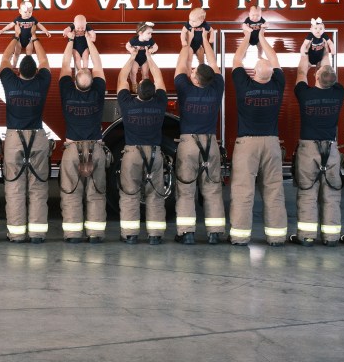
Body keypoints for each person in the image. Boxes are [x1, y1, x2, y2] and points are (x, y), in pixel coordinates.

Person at [228, 24, 287, 246]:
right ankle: (277, 236)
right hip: (272, 144)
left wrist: (247, 37)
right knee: (273, 190)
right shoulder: (278, 85)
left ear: (253, 73)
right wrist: (262, 38)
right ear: (272, 74)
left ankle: (240, 237)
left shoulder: (243, 85)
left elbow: (236, 60)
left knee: (243, 191)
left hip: (247, 144)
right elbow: (275, 60)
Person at [173, 35, 225, 245]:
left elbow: (180, 67)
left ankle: (187, 233)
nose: (191, 70)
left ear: (194, 80)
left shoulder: (185, 89)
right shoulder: (216, 87)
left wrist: (186, 45)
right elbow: (214, 65)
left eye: (194, 71)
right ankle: (214, 233)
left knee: (186, 189)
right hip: (210, 145)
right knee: (212, 188)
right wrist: (205, 41)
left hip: (189, 144)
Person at [0, 36, 52, 243]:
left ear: (18, 71)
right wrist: (35, 39)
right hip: (38, 137)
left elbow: (4, 60)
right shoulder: (42, 81)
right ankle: (37, 234)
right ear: (35, 72)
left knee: (14, 187)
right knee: (38, 187)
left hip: (14, 139)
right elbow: (45, 61)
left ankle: (16, 234)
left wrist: (15, 39)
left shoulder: (10, 81)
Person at [291, 53, 344, 247]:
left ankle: (306, 237)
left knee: (307, 193)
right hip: (330, 150)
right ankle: (331, 237)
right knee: (331, 194)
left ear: (316, 77)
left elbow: (301, 71)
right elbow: (329, 72)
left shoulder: (304, 93)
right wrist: (326, 53)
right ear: (334, 80)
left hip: (308, 150)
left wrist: (307, 50)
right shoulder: (339, 92)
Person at [58, 32, 108, 243]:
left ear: (75, 82)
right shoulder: (98, 92)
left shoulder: (67, 91)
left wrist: (71, 40)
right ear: (91, 82)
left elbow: (64, 65)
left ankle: (73, 235)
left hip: (72, 150)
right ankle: (95, 234)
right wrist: (89, 41)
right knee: (96, 192)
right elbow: (97, 64)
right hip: (95, 149)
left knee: (71, 192)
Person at [116, 46, 169, 245]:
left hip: (132, 154)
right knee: (155, 193)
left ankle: (130, 235)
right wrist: (148, 57)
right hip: (155, 155)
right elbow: (159, 76)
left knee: (130, 192)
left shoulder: (127, 104)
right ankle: (155, 235)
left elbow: (122, 79)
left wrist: (132, 57)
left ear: (136, 90)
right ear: (155, 92)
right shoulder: (160, 102)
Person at [0, 1, 51, 66]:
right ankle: (14, 65)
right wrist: (2, 30)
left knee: (29, 54)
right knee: (16, 53)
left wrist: (46, 31)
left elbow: (39, 25)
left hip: (29, 40)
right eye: (25, 12)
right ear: (20, 11)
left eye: (30, 12)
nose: (27, 14)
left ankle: (28, 65)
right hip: (19, 40)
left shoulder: (32, 19)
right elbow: (10, 25)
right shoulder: (18, 19)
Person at [125, 21, 157, 89]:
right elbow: (127, 45)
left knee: (145, 73)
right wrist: (131, 50)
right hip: (135, 59)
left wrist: (151, 50)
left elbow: (156, 47)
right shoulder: (134, 40)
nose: (150, 35)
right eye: (148, 33)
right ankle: (134, 85)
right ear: (140, 33)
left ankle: (144, 86)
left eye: (151, 33)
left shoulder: (150, 40)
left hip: (145, 59)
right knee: (133, 72)